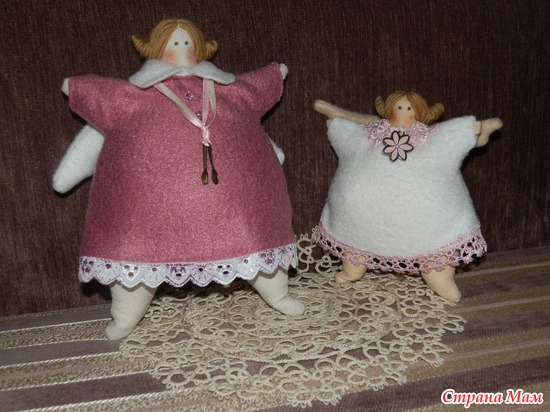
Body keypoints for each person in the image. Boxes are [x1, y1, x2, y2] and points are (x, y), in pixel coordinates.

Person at [56, 19, 304, 339]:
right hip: (146, 218)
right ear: (154, 49)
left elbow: (255, 88)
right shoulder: (130, 97)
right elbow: (100, 99)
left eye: (188, 43)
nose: (181, 49)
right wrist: (76, 91)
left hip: (238, 209)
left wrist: (274, 75)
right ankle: (127, 314)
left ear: (201, 49)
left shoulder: (230, 91)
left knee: (256, 239)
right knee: (134, 253)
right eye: (173, 44)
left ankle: (277, 293)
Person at [313, 92, 502, 302]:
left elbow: (453, 134)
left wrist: (475, 129)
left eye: (409, 108)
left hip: (424, 224)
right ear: (388, 110)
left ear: (421, 112)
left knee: (435, 255)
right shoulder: (373, 132)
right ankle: (353, 268)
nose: (403, 112)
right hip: (358, 219)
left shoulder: (432, 136)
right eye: (399, 107)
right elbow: (352, 135)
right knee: (354, 247)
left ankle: (439, 278)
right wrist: (337, 125)